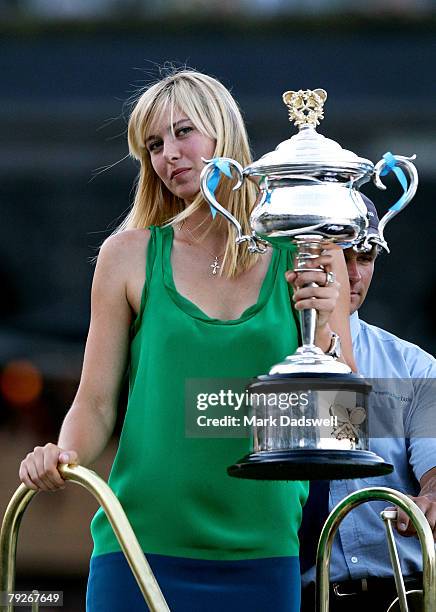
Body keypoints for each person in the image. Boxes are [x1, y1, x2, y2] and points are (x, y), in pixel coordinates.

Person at [19, 69, 355, 612]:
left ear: (224, 135)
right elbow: (96, 401)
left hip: (262, 552)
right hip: (136, 549)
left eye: (183, 132)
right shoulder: (126, 255)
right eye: (154, 145)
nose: (168, 154)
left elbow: (338, 427)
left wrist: (323, 314)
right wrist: (63, 455)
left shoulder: (309, 247)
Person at [300, 196, 436, 612]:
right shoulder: (252, 361)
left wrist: (431, 497)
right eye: (340, 256)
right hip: (293, 596)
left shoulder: (412, 364)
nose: (354, 275)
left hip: (403, 593)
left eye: (367, 255)